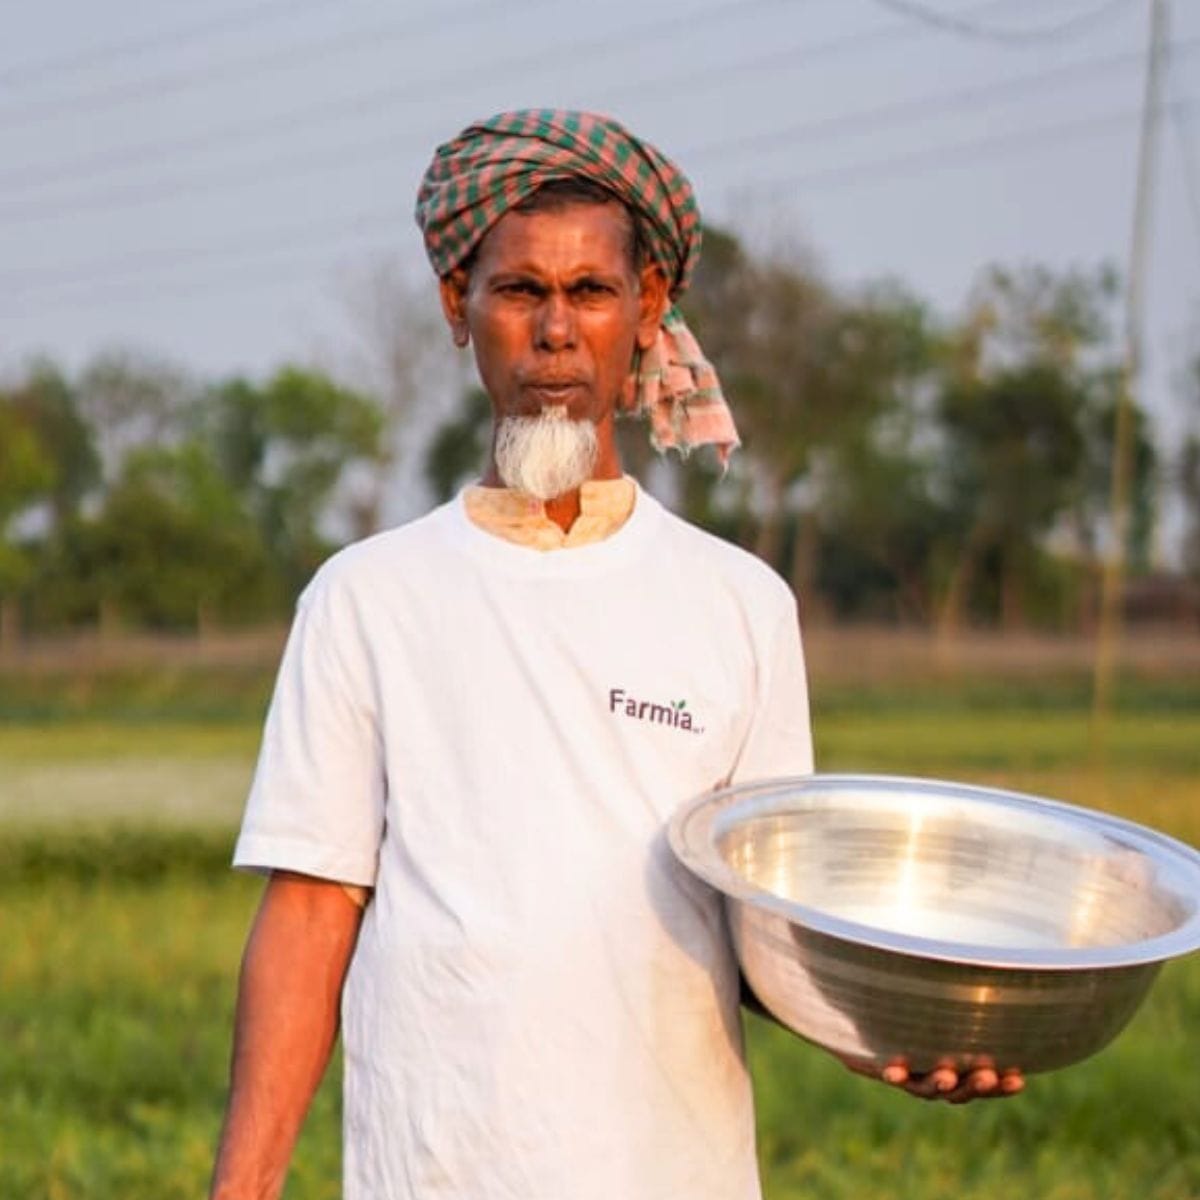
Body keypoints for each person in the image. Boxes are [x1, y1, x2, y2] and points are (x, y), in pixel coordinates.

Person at [209, 109, 1020, 1200]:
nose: (555, 331)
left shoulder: (739, 605)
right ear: (461, 307)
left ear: (646, 314)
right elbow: (311, 913)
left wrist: (901, 1034)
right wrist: (240, 1190)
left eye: (590, 292)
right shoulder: (366, 599)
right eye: (518, 291)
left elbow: (771, 926)